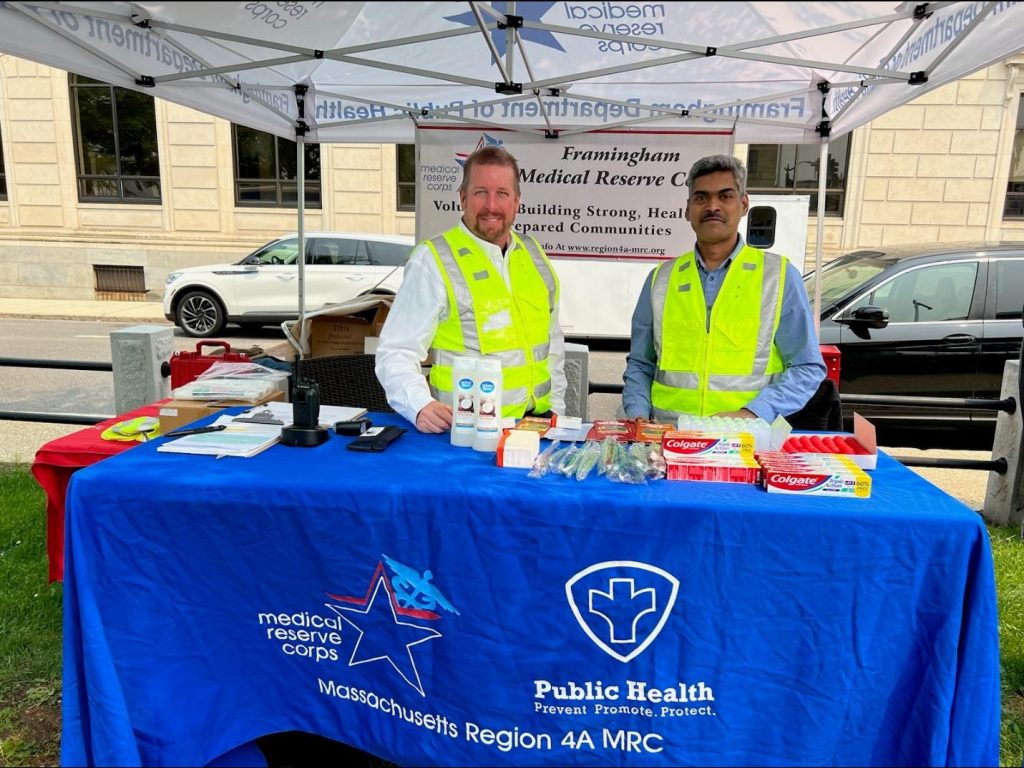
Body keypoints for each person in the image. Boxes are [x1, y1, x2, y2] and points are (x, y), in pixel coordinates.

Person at [375, 146, 567, 433]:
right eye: (480, 192)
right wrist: (419, 405)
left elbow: (552, 345)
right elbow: (396, 350)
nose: (492, 205)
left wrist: (559, 415)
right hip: (469, 431)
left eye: (502, 193)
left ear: (517, 201)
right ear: (463, 198)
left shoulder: (532, 254)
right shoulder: (434, 260)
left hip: (536, 427)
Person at [622, 154, 825, 423]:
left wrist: (752, 413)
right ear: (688, 209)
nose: (712, 206)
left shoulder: (778, 277)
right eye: (701, 197)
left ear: (743, 204)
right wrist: (637, 414)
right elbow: (641, 364)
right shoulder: (660, 279)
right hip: (667, 443)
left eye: (725, 196)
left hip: (743, 443)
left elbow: (806, 367)